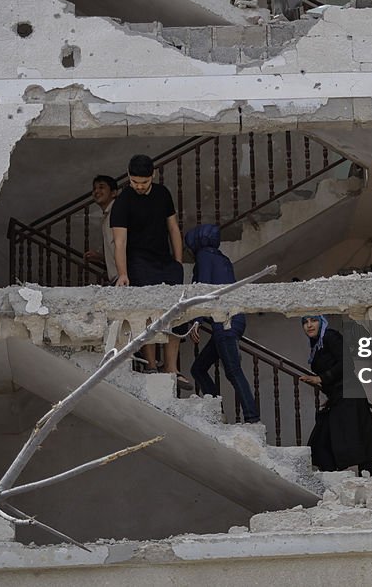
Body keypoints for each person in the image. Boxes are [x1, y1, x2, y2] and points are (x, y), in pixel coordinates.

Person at [110, 154, 189, 388]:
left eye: (144, 182)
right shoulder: (123, 201)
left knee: (177, 312)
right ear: (129, 177)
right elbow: (120, 242)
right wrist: (123, 273)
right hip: (138, 261)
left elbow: (173, 229)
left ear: (152, 176)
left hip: (165, 260)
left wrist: (177, 262)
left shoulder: (163, 194)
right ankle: (152, 364)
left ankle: (172, 367)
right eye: (135, 182)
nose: (139, 186)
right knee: (149, 311)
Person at [183, 224, 259, 424]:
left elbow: (205, 289)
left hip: (224, 322)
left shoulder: (204, 257)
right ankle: (217, 412)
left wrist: (197, 320)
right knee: (198, 368)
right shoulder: (222, 259)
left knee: (233, 371)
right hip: (232, 320)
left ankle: (252, 418)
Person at [298, 315, 372, 475]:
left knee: (357, 441)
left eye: (313, 320)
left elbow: (347, 363)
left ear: (322, 322)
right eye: (305, 322)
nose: (309, 325)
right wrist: (322, 383)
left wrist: (321, 378)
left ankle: (369, 482)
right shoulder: (316, 344)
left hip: (349, 396)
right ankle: (338, 483)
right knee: (321, 443)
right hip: (337, 397)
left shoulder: (330, 336)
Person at [84, 175, 118, 283]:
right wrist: (102, 257)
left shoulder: (118, 212)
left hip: (123, 276)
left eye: (101, 187)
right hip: (117, 277)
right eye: (94, 188)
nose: (96, 191)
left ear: (114, 193)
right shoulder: (106, 216)